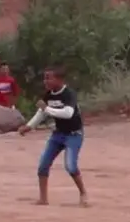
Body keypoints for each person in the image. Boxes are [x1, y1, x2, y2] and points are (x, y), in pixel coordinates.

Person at [25, 66, 87, 206]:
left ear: (59, 79)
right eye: (45, 77)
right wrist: (29, 126)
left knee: (70, 166)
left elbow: (68, 113)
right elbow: (41, 113)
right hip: (58, 134)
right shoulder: (49, 95)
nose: (45, 81)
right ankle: (43, 199)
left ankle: (83, 193)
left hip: (73, 135)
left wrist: (46, 109)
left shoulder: (68, 94)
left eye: (48, 77)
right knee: (43, 166)